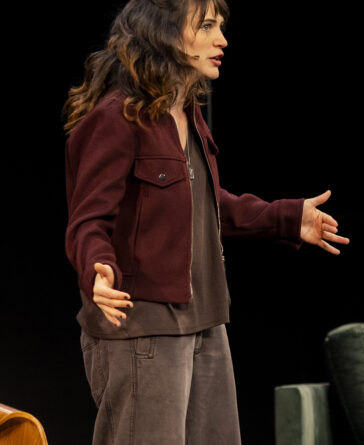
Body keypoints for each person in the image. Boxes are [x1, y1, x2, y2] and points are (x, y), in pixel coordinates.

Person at [63, 1, 349, 443]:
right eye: (207, 26)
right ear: (165, 31)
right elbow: (88, 220)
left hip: (205, 320)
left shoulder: (185, 112)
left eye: (221, 26)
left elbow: (205, 203)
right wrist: (96, 268)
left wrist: (287, 218)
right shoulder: (117, 117)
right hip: (144, 327)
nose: (222, 40)